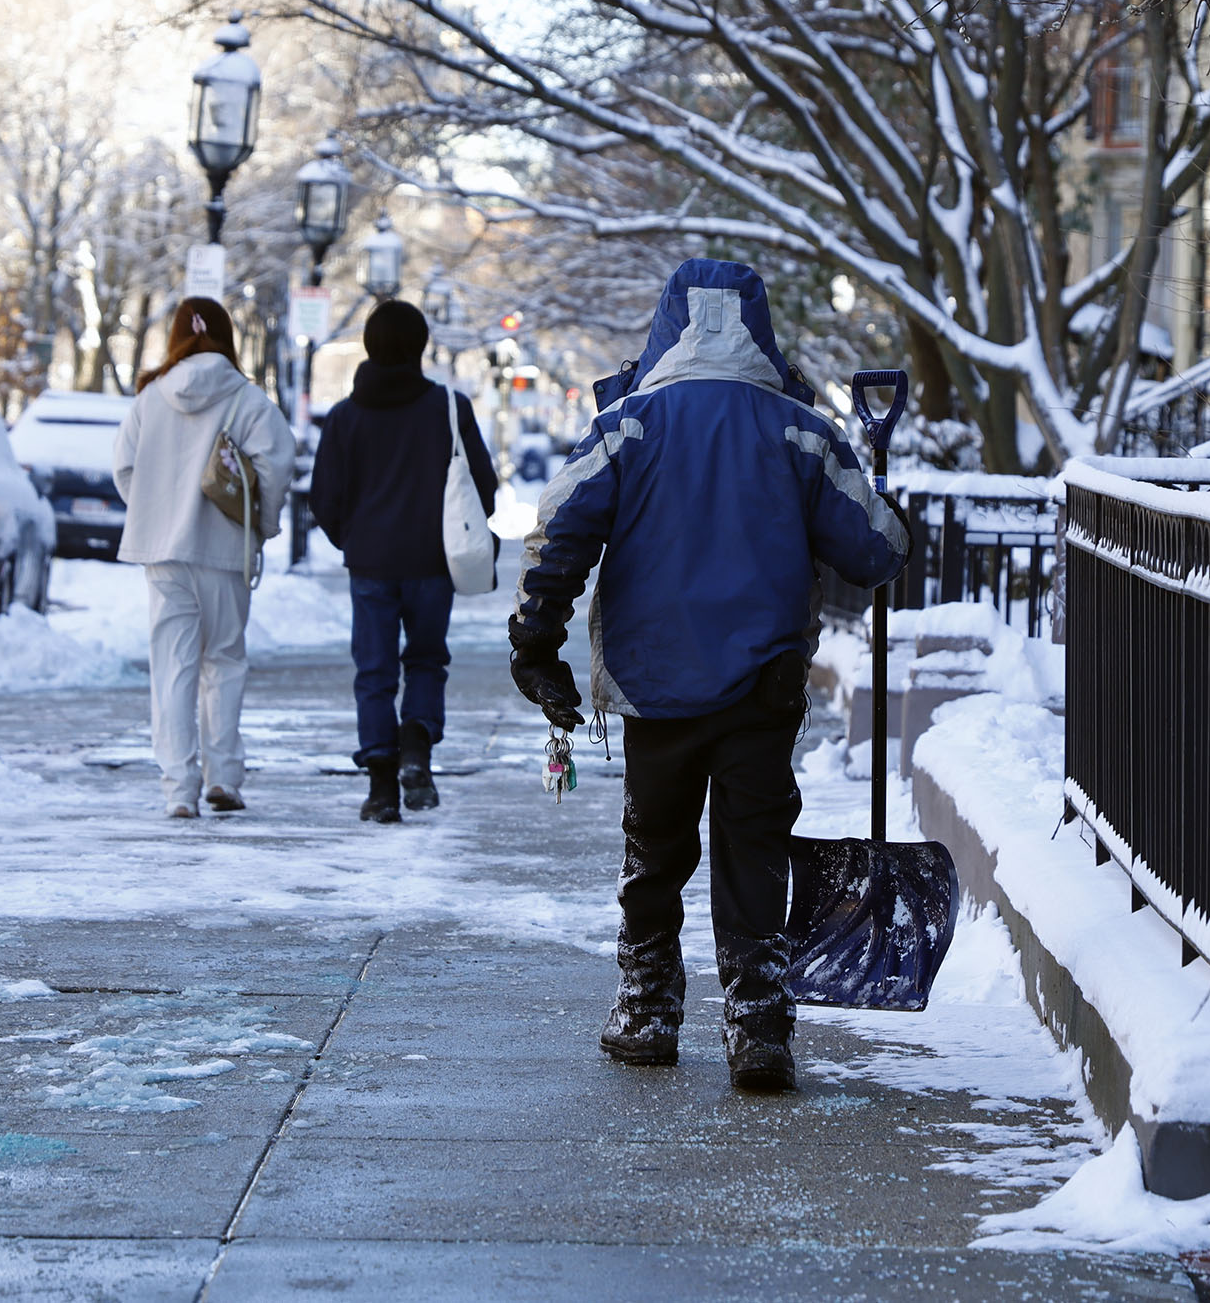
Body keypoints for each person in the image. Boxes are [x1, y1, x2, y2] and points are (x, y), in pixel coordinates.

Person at [507, 259, 908, 1093]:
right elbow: (877, 551)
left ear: (669, 324)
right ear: (758, 329)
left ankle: (647, 1007)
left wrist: (536, 636)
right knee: (752, 848)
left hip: (655, 682)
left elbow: (557, 528)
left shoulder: (631, 424)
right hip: (763, 685)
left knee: (654, 847)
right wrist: (877, 486)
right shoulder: (797, 429)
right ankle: (758, 1022)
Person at [310, 299, 498, 824]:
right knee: (425, 659)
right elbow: (482, 486)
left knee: (373, 672)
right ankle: (416, 745)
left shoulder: (345, 417)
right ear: (420, 347)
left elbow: (324, 498)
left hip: (370, 563)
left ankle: (380, 787)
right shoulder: (449, 408)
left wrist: (353, 538)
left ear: (369, 346)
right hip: (433, 562)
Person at [113, 298, 295, 819]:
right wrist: (258, 524)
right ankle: (224, 777)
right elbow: (278, 465)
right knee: (225, 662)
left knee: (172, 667)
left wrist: (155, 512)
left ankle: (177, 787)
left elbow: (124, 468)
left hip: (163, 555)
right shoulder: (248, 400)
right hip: (223, 550)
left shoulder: (149, 399)